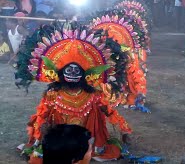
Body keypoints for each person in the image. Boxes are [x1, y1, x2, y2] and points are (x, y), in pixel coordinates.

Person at [16, 23, 132, 163]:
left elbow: (110, 111)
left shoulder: (93, 95)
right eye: (68, 71)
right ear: (60, 74)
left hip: (85, 143)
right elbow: (41, 117)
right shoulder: (53, 94)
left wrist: (124, 129)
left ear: (84, 75)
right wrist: (37, 137)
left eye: (76, 71)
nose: (72, 74)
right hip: (60, 143)